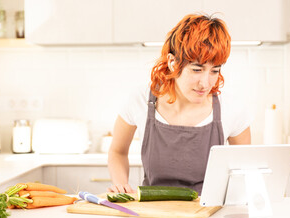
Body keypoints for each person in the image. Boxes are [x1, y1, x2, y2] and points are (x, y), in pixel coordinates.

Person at [107, 13, 252, 194]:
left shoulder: (232, 108)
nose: (206, 83)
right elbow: (117, 152)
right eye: (197, 69)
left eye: (214, 71)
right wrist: (121, 185)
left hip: (208, 216)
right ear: (173, 62)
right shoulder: (140, 100)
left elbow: (246, 170)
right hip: (153, 215)